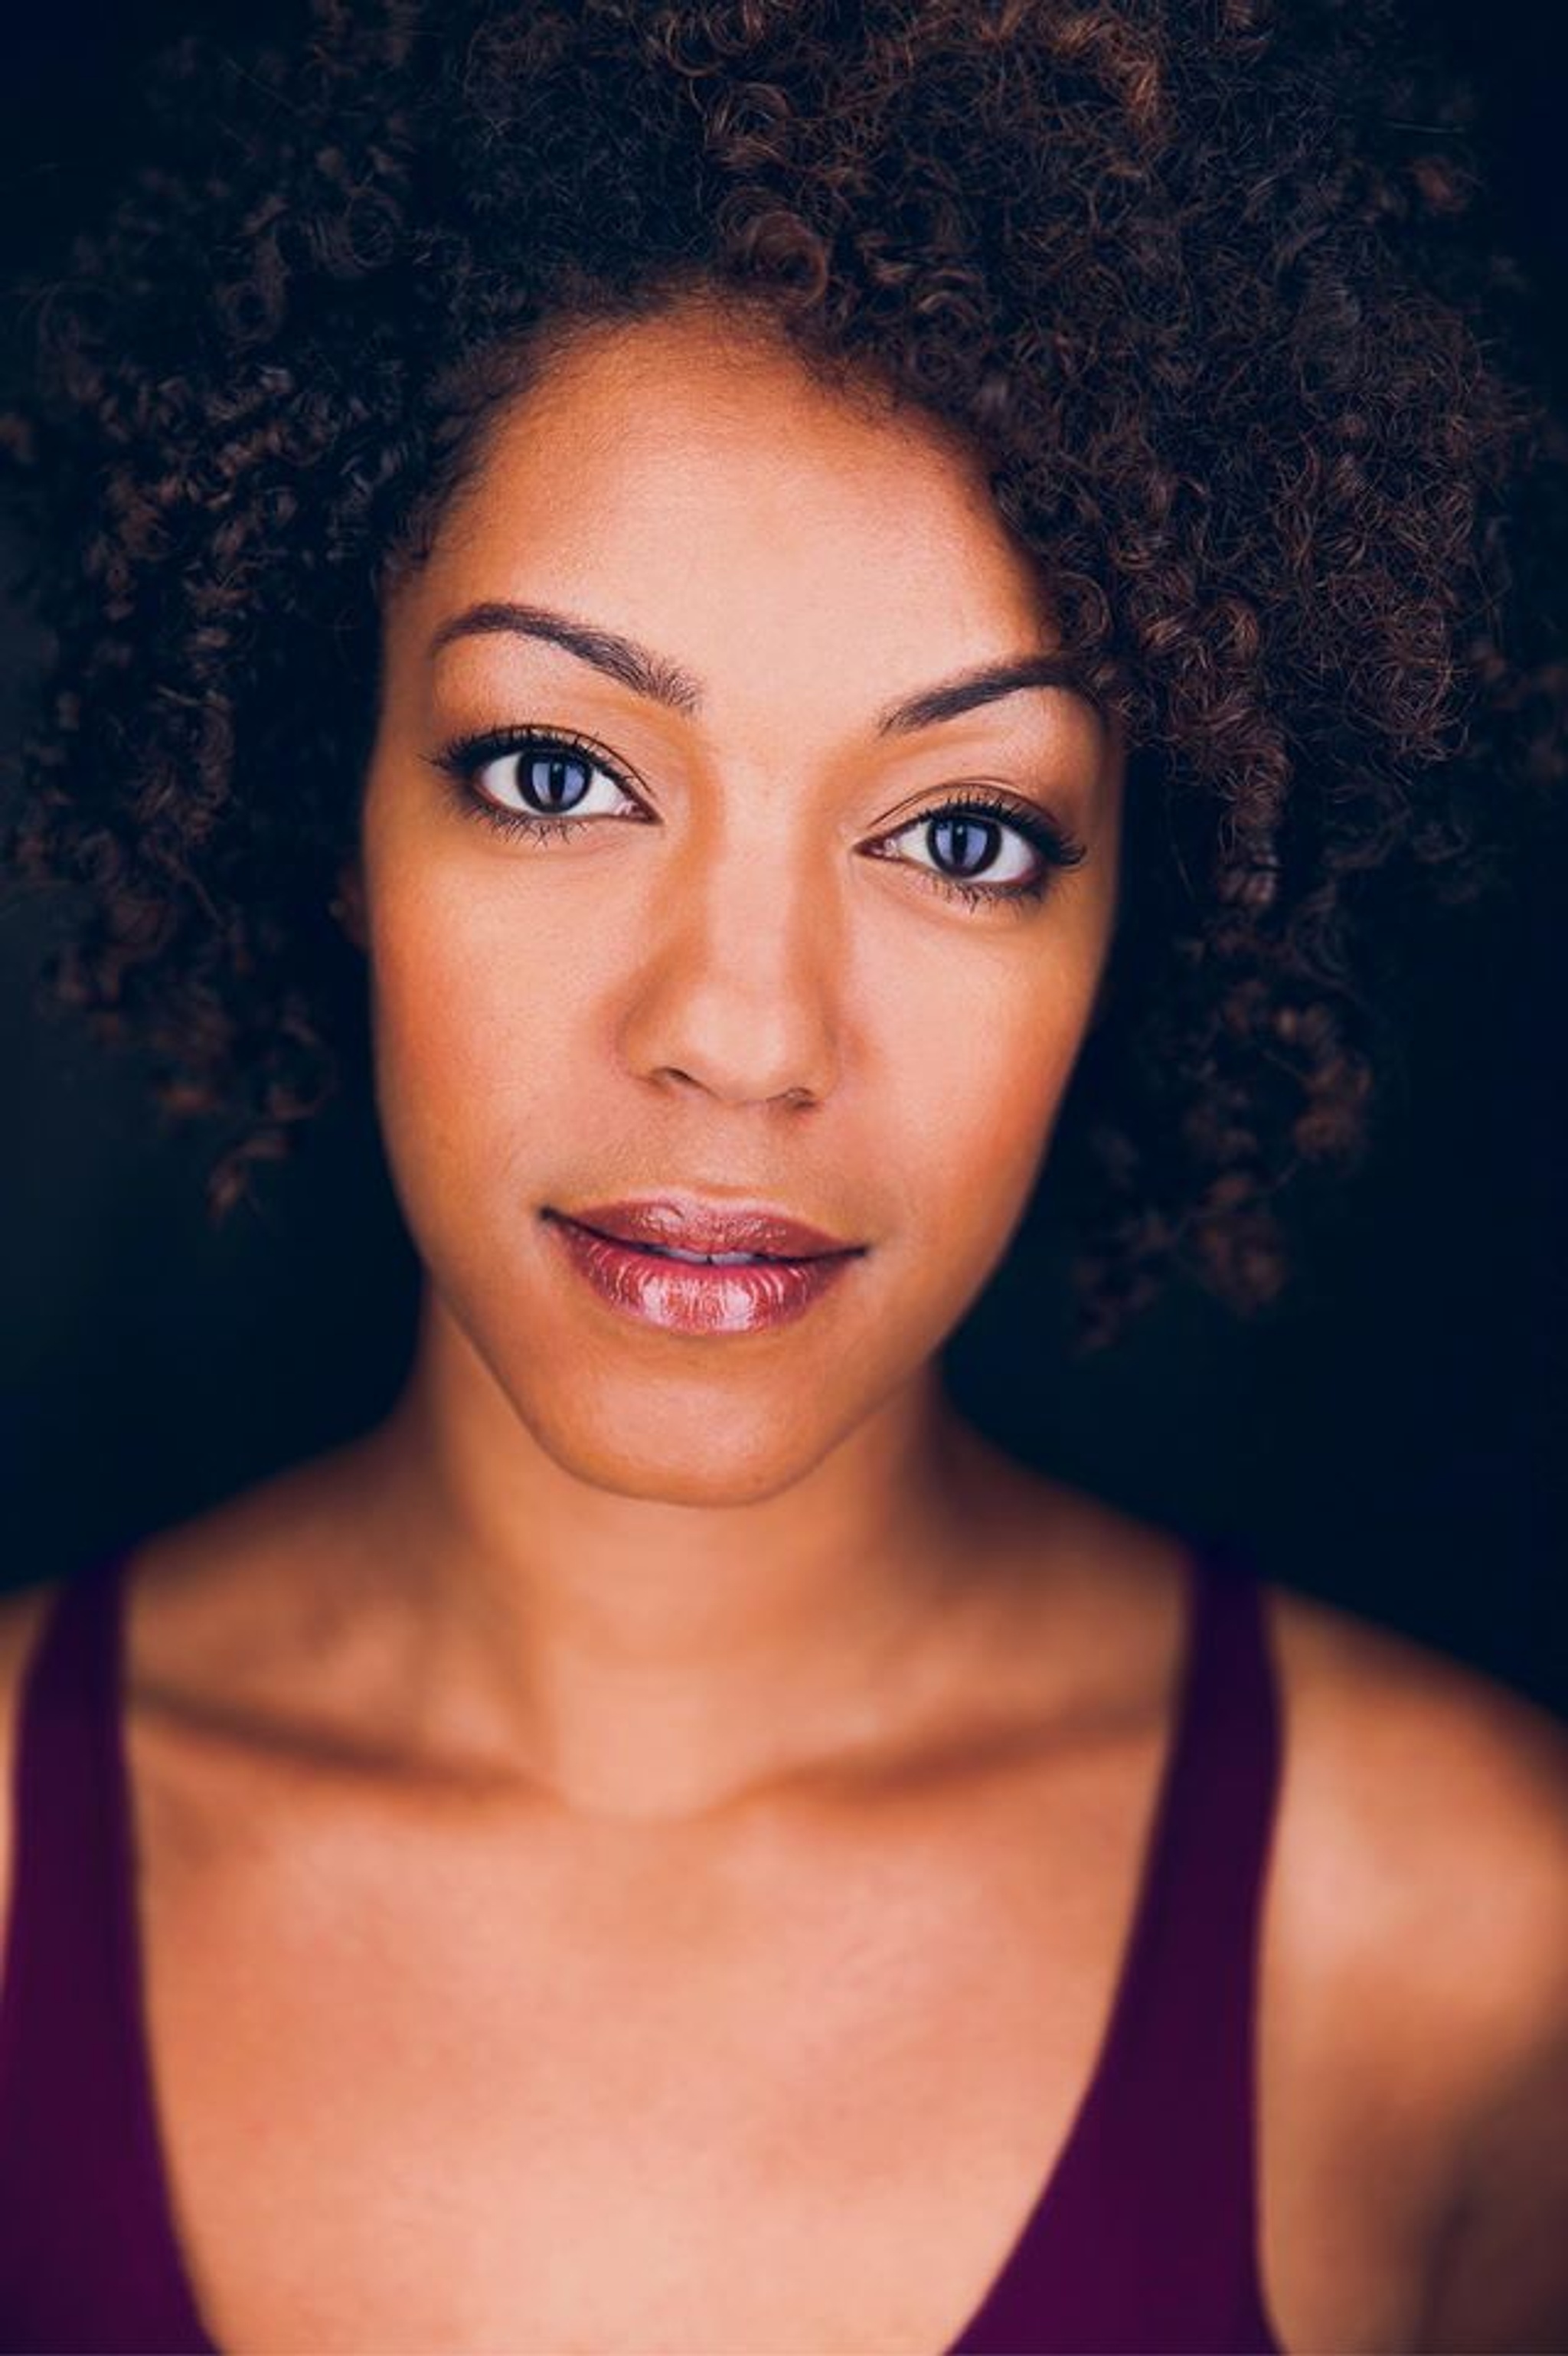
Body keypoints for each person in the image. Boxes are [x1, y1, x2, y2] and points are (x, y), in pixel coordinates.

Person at [0, 2, 1565, 2350]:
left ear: (1150, 904)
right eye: (554, 773)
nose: (741, 1034)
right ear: (335, 804)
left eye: (964, 833)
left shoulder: (1475, 1966)